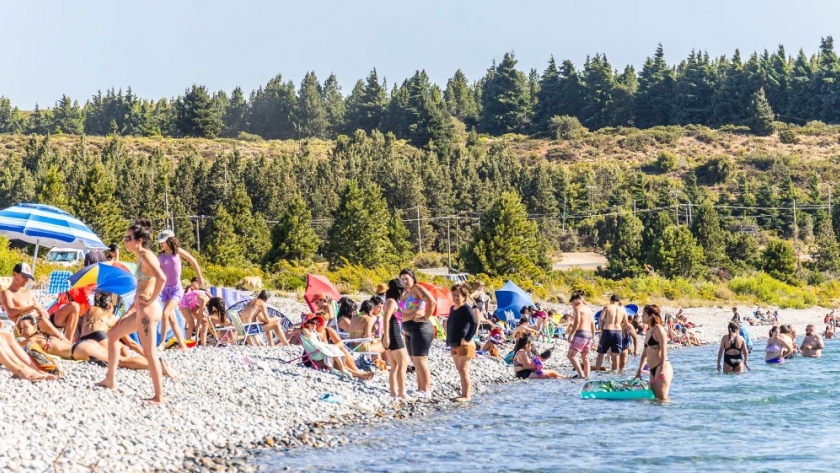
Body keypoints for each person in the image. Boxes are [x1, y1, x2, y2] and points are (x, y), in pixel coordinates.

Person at [96, 219, 168, 405]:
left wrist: (151, 299)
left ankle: (159, 397)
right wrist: (128, 313)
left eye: (128, 238)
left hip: (148, 311)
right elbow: (139, 292)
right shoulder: (140, 257)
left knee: (150, 352)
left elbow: (161, 278)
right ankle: (110, 379)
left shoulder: (147, 256)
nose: (125, 241)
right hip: (141, 309)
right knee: (112, 334)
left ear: (139, 240)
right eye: (125, 238)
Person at [19, 314, 178, 378]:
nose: (23, 331)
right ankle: (158, 364)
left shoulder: (36, 340)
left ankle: (157, 365)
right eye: (21, 329)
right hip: (84, 345)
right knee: (121, 359)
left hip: (80, 350)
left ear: (35, 326)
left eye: (26, 327)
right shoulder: (45, 335)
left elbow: (15, 347)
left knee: (121, 362)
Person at [157, 230, 204, 350]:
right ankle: (183, 345)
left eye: (163, 242)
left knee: (165, 313)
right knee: (172, 319)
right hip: (165, 290)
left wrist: (199, 278)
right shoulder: (160, 256)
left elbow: (193, 261)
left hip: (176, 290)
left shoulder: (176, 252)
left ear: (169, 241)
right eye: (160, 242)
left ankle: (162, 343)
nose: (161, 244)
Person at [0, 263, 69, 342]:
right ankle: (66, 342)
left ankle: (70, 343)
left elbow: (40, 308)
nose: (26, 280)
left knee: (73, 307)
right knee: (41, 319)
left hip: (43, 322)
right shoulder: (6, 293)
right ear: (15, 274)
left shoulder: (29, 292)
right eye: (24, 276)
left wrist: (42, 310)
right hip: (27, 326)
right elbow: (11, 312)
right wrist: (33, 307)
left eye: (28, 278)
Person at [398, 268, 437, 399]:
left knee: (421, 360)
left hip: (420, 327)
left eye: (406, 279)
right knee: (415, 360)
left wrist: (425, 316)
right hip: (408, 330)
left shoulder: (417, 289)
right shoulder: (404, 293)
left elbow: (432, 301)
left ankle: (426, 390)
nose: (404, 281)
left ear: (413, 278)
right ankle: (420, 388)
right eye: (402, 279)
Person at [80, 291, 145, 357]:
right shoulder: (112, 317)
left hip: (82, 340)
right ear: (110, 306)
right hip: (98, 336)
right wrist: (147, 355)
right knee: (123, 348)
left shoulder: (89, 310)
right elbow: (131, 343)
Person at [447, 283, 478, 402]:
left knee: (463, 369)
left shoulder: (466, 308)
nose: (455, 297)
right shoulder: (452, 308)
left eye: (458, 295)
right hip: (454, 343)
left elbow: (474, 322)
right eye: (453, 295)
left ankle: (466, 396)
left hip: (465, 344)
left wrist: (467, 338)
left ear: (464, 296)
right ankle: (463, 393)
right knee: (460, 370)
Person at [636, 304, 673, 401]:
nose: (642, 316)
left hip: (662, 367)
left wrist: (661, 369)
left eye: (644, 314)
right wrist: (639, 370)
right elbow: (645, 353)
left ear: (651, 316)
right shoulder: (649, 330)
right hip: (652, 370)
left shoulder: (659, 329)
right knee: (654, 399)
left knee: (662, 399)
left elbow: (664, 350)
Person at [382, 278, 409, 399]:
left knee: (394, 366)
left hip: (393, 333)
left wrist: (403, 332)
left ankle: (394, 392)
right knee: (403, 364)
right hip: (392, 335)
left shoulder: (391, 301)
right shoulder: (391, 302)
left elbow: (395, 321)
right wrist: (387, 336)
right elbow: (386, 319)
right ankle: (402, 393)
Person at [566, 291, 595, 379]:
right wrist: (593, 337)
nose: (572, 305)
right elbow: (592, 323)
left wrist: (571, 334)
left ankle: (581, 375)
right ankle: (587, 377)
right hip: (589, 334)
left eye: (572, 303)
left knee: (571, 355)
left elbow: (577, 322)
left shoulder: (577, 308)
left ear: (576, 301)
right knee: (585, 357)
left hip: (581, 333)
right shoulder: (588, 309)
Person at [595, 294, 627, 371]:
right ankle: (615, 372)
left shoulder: (607, 307)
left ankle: (597, 371)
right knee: (616, 354)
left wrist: (601, 329)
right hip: (618, 331)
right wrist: (621, 329)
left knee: (601, 353)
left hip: (608, 330)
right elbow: (626, 322)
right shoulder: (622, 310)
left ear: (611, 300)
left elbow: (601, 319)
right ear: (618, 301)